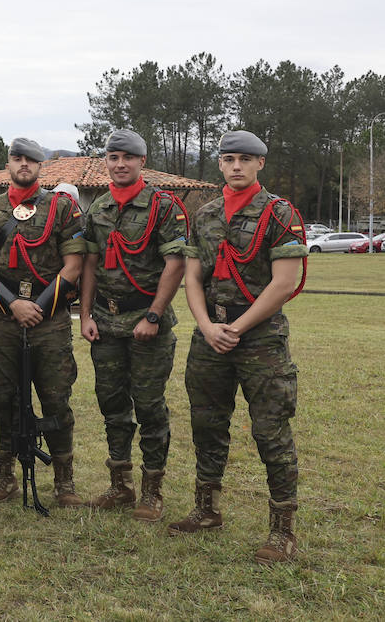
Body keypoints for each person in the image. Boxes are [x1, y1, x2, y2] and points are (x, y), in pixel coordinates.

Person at [168, 130, 307, 564]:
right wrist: (207, 325)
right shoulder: (205, 214)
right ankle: (206, 510)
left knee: (271, 432)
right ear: (220, 164)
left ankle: (282, 530)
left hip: (260, 339)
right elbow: (193, 277)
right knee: (208, 425)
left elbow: (284, 282)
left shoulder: (279, 213)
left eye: (245, 159)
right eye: (229, 159)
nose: (236, 167)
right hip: (211, 337)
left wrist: (237, 327)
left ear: (260, 164)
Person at [0, 137, 86, 506]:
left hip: (49, 319)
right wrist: (14, 305)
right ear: (9, 165)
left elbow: (74, 264)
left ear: (41, 167)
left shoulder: (62, 209)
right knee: (3, 397)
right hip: (2, 319)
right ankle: (4, 475)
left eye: (31, 160)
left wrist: (37, 305)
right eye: (17, 159)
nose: (24, 165)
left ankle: (64, 482)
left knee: (55, 396)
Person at [79, 130, 188, 521]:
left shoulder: (163, 206)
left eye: (128, 157)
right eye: (113, 157)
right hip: (106, 321)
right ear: (105, 162)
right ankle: (120, 485)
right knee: (111, 403)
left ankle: (152, 491)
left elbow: (175, 264)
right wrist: (87, 314)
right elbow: (90, 264)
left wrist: (154, 316)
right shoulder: (100, 208)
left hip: (147, 321)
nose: (120, 163)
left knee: (149, 405)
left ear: (143, 162)